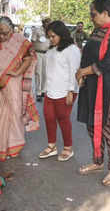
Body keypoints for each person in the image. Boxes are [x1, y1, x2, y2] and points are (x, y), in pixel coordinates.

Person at [76, 0, 110, 186]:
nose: (91, 17)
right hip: (91, 88)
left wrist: (85, 70)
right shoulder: (97, 31)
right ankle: (97, 161)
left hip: (109, 89)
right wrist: (81, 75)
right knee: (92, 126)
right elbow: (88, 54)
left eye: (93, 14)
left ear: (105, 13)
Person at [0, 16, 39, 161]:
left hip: (13, 83)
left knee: (14, 114)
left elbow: (28, 58)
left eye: (5, 33)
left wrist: (18, 72)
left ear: (12, 30)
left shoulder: (20, 41)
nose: (1, 36)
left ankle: (13, 147)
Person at [38, 21, 81, 161]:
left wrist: (71, 91)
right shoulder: (51, 49)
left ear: (61, 34)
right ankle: (51, 146)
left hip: (66, 91)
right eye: (49, 36)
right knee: (49, 117)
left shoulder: (72, 49)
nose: (51, 39)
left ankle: (68, 148)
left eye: (53, 36)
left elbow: (74, 71)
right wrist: (45, 89)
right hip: (51, 90)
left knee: (63, 119)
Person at [31, 18, 51, 102]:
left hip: (47, 53)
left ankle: (43, 90)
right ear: (43, 23)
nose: (48, 24)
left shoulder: (50, 31)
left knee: (45, 73)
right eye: (47, 23)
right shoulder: (37, 30)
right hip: (38, 53)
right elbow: (32, 40)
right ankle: (38, 92)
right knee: (38, 73)